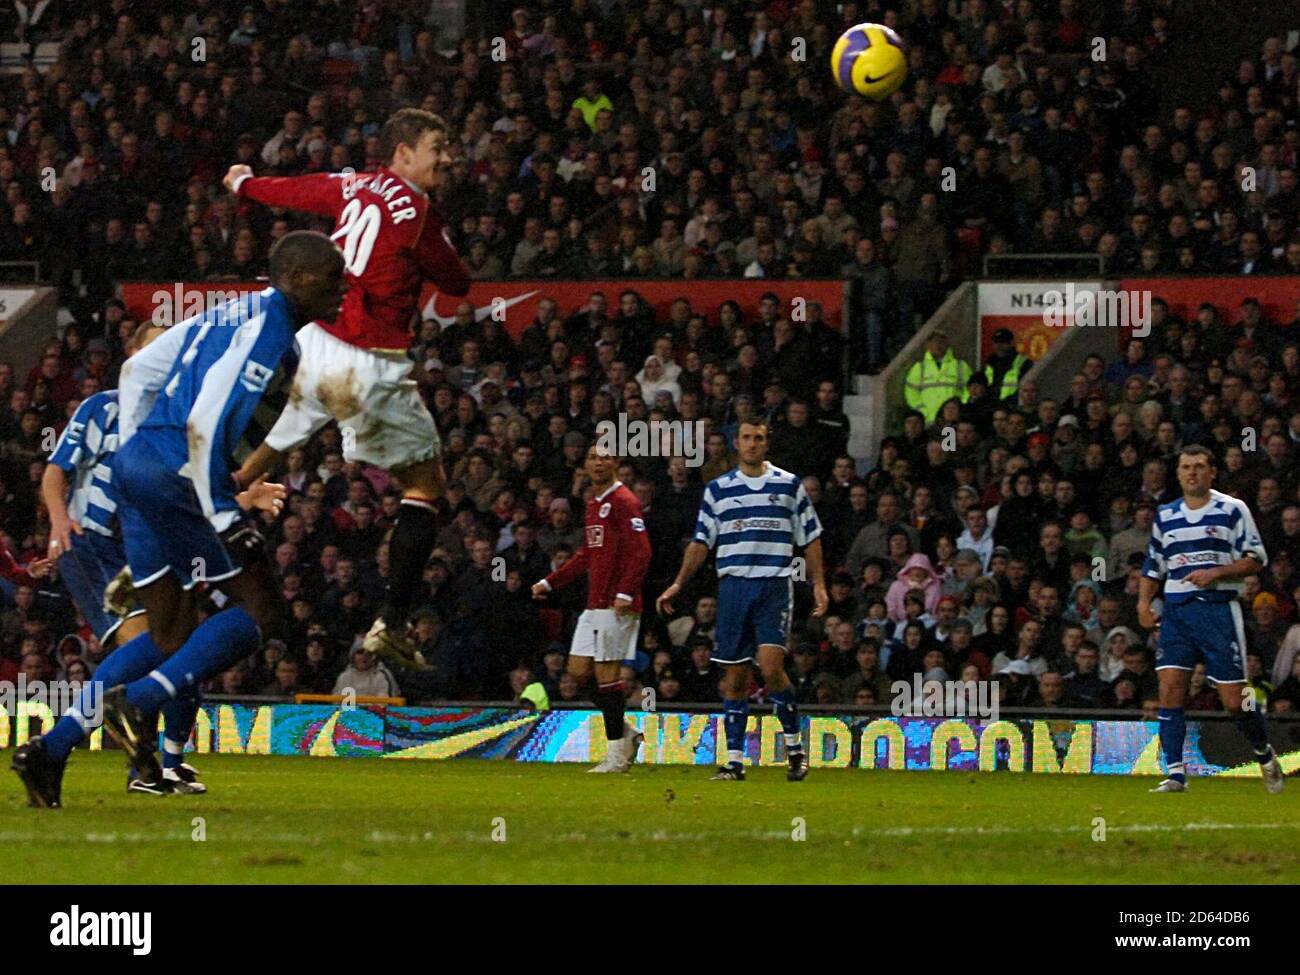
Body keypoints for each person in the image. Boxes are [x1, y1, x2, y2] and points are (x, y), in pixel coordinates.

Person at [14, 231, 345, 805]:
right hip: (179, 475)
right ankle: (138, 705)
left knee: (169, 634)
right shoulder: (267, 334)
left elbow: (140, 369)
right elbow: (213, 415)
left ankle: (51, 750)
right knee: (258, 611)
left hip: (142, 470)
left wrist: (141, 451)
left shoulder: (235, 313)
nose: (342, 288)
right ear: (295, 278)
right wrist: (215, 502)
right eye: (332, 277)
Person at [225, 108, 470, 668]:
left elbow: (299, 190)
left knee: (253, 463)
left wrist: (245, 182)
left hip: (317, 344)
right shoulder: (417, 209)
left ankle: (158, 548)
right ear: (403, 153)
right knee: (428, 487)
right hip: (369, 364)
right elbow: (456, 280)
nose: (449, 158)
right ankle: (393, 620)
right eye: (439, 146)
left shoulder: (355, 184)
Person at [656, 419, 828, 782]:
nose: (752, 444)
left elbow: (811, 538)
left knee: (769, 667)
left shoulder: (788, 485)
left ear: (767, 443)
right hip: (733, 588)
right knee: (735, 677)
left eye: (759, 438)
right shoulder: (718, 490)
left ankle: (795, 750)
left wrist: (819, 585)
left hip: (773, 585)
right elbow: (701, 542)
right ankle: (734, 762)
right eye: (747, 438)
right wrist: (678, 584)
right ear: (737, 443)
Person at [1138, 445, 1284, 794]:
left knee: (1234, 700)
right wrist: (1144, 604)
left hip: (1217, 610)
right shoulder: (1166, 514)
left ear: (1212, 472)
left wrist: (1216, 572)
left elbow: (1255, 558)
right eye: (1186, 467)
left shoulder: (1233, 509)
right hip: (1176, 612)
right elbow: (1153, 566)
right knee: (1170, 689)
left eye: (1200, 466)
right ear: (1178, 474)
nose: (1192, 473)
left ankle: (1263, 753)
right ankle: (1175, 774)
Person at [531, 444, 651, 772]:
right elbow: (586, 553)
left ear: (615, 463)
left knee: (608, 677)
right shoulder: (593, 503)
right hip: (594, 604)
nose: (599, 463)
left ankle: (616, 758)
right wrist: (550, 582)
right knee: (577, 672)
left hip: (617, 606)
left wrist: (626, 592)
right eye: (593, 458)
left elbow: (642, 551)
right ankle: (625, 733)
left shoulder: (624, 501)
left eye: (605, 457)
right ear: (585, 464)